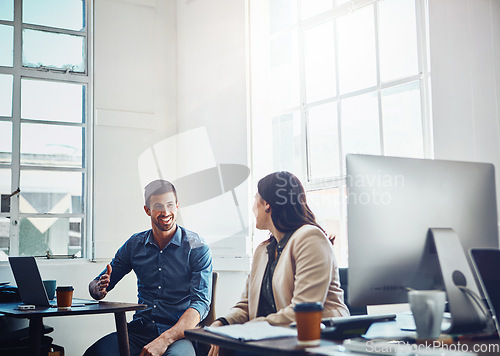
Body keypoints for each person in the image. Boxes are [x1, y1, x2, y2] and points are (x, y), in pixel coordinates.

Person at [208, 171, 349, 356]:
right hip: (274, 339)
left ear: (267, 204)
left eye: (255, 199)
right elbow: (246, 305)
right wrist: (223, 324)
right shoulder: (262, 251)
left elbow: (303, 310)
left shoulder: (310, 238)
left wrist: (243, 331)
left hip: (318, 339)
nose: (252, 208)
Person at [84, 179, 212, 356]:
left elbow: (201, 303)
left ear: (177, 206)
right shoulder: (134, 245)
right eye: (158, 206)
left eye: (170, 204)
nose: (166, 212)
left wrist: (163, 340)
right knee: (97, 353)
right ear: (147, 210)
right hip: (139, 331)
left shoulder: (197, 247)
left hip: (178, 335)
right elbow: (97, 285)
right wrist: (98, 288)